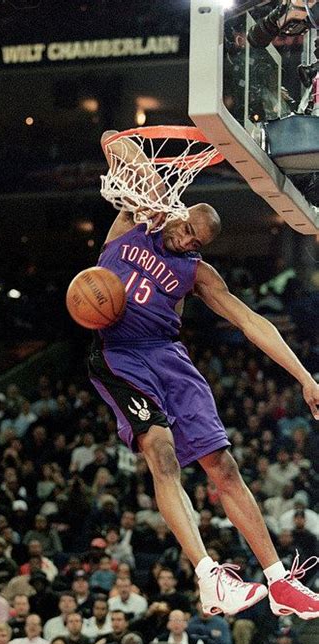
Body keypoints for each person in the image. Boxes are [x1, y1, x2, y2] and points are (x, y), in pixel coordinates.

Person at [87, 129, 319, 619]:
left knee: (224, 468)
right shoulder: (134, 220)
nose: (187, 239)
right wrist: (157, 189)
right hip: (121, 354)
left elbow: (251, 321)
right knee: (160, 451)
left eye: (197, 240)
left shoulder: (196, 271)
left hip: (169, 356)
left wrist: (305, 377)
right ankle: (208, 576)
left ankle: (279, 583)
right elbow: (114, 140)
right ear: (182, 210)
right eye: (188, 228)